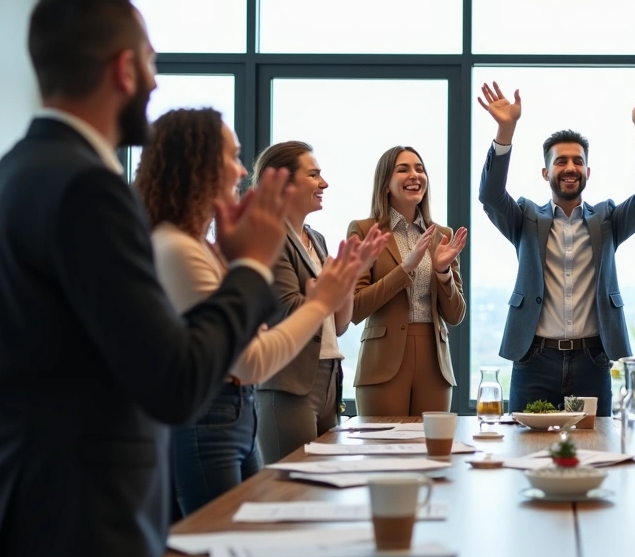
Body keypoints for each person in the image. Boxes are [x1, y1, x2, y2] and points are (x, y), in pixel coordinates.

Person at [0, 0, 294, 557]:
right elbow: (175, 382)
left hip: (6, 523)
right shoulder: (89, 189)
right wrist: (248, 268)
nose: (157, 81)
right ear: (123, 68)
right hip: (73, 533)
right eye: (152, 62)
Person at [137, 108, 387, 514]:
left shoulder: (198, 246)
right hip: (216, 412)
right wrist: (320, 297)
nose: (241, 173)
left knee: (256, 527)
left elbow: (267, 336)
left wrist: (336, 289)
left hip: (238, 409)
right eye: (231, 158)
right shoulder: (180, 249)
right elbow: (252, 357)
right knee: (231, 541)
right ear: (197, 164)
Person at [477, 81, 635, 415]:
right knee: (526, 449)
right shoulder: (524, 218)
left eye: (577, 162)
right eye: (560, 161)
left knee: (594, 447)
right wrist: (504, 132)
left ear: (588, 171)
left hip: (592, 360)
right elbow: (491, 196)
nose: (570, 168)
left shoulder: (607, 219)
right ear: (545, 171)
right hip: (534, 358)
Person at [252, 141, 357, 464]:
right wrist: (328, 292)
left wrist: (349, 278)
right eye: (313, 175)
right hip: (289, 382)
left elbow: (337, 324)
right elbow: (291, 310)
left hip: (327, 377)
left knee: (322, 490)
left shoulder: (317, 239)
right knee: (292, 487)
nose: (323, 184)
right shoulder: (268, 236)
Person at [347, 145, 467, 415]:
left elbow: (456, 315)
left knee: (432, 452)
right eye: (403, 169)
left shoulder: (442, 235)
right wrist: (406, 268)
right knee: (383, 452)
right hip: (382, 362)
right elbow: (354, 308)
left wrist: (443, 272)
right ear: (386, 184)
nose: (415, 175)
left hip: (435, 363)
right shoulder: (365, 230)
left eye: (419, 169)